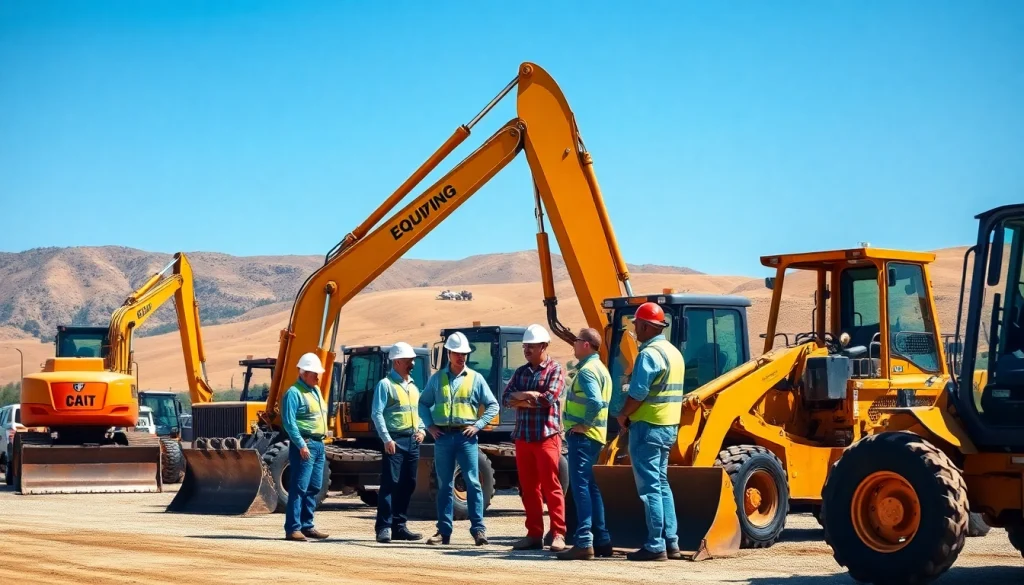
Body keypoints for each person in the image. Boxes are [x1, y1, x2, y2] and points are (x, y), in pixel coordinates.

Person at [615, 302, 686, 561]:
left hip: (647, 427)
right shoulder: (674, 353)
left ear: (646, 325)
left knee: (649, 488)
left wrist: (623, 414)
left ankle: (656, 545)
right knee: (662, 484)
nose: (635, 329)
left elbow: (638, 393)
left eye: (636, 324)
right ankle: (672, 541)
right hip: (668, 427)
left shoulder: (648, 354)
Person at [418, 331, 499, 546]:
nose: (461, 357)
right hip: (443, 437)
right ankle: (443, 531)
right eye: (457, 353)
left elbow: (493, 405)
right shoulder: (437, 379)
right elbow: (423, 404)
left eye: (464, 353)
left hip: (466, 437)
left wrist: (478, 425)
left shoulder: (475, 378)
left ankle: (479, 530)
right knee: (444, 485)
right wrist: (430, 427)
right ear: (449, 353)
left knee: (473, 483)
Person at [502, 323, 568, 552]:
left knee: (551, 486)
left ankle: (558, 534)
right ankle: (534, 534)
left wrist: (527, 397)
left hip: (546, 437)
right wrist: (529, 397)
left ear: (543, 346)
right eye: (525, 346)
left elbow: (549, 398)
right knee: (529, 488)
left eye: (531, 346)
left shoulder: (555, 370)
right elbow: (506, 398)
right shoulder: (520, 372)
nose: (527, 350)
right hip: (524, 438)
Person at [557, 327, 613, 560]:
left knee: (580, 488)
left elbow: (595, 402)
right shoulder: (601, 368)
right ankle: (602, 541)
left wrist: (584, 424)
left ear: (586, 345)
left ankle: (584, 541)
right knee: (591, 487)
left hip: (583, 437)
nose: (574, 345)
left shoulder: (588, 371)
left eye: (577, 341)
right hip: (595, 437)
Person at [370, 342, 426, 543]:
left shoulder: (413, 386)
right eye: (409, 360)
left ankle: (399, 526)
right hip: (395, 440)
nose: (412, 363)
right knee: (390, 484)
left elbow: (418, 412)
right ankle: (383, 527)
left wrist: (421, 430)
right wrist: (387, 439)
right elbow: (377, 413)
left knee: (408, 484)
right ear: (397, 362)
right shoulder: (385, 385)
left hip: (412, 441)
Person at [281, 352, 330, 541]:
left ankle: (307, 525)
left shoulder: (315, 391)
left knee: (314, 486)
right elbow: (289, 422)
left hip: (318, 444)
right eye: (314, 373)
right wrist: (301, 444)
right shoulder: (293, 393)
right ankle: (293, 528)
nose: (318, 377)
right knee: (299, 487)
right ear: (303, 373)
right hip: (306, 444)